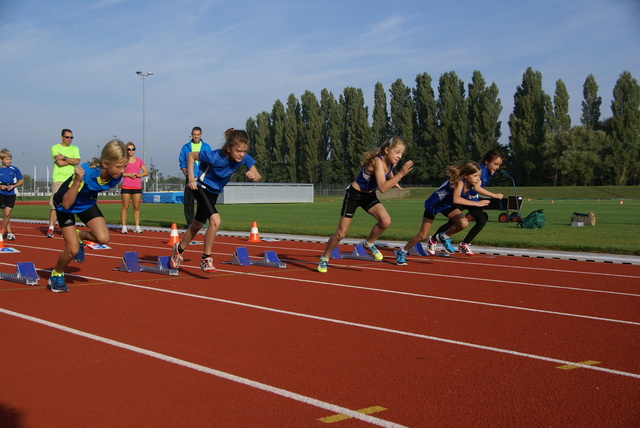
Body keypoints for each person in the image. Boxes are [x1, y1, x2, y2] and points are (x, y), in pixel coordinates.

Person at [317, 136, 414, 273]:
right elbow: (383, 188)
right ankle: (324, 257)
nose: (400, 156)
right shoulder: (377, 161)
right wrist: (401, 175)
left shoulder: (392, 161)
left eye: (402, 153)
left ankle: (369, 243)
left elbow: (389, 169)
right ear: (387, 150)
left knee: (385, 221)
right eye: (397, 152)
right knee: (341, 233)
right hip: (354, 195)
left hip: (368, 195)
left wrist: (393, 178)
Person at [170, 128, 261, 273]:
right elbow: (191, 155)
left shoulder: (244, 158)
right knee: (215, 221)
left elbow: (258, 176)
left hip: (214, 192)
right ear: (229, 148)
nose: (242, 154)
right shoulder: (215, 156)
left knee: (196, 225)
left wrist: (253, 176)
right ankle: (206, 258)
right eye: (238, 151)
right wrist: (191, 178)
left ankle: (178, 249)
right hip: (201, 187)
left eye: (244, 151)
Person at [47, 140, 128, 293]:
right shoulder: (86, 172)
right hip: (66, 203)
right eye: (118, 166)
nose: (121, 171)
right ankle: (56, 274)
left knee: (103, 238)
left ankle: (80, 235)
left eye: (124, 166)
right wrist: (77, 181)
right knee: (72, 250)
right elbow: (66, 204)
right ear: (105, 163)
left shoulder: (116, 177)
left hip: (86, 203)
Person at [395, 161, 499, 265]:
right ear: (466, 175)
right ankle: (402, 251)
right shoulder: (459, 182)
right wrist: (477, 204)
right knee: (422, 236)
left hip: (446, 206)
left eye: (479, 176)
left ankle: (444, 236)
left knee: (463, 223)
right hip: (434, 205)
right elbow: (456, 199)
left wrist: (490, 196)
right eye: (475, 176)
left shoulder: (472, 185)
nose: (478, 178)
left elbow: (476, 189)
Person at [432, 150, 504, 255]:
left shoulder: (489, 173)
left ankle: (464, 244)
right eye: (495, 164)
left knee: (481, 221)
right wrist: (493, 195)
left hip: (471, 198)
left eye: (499, 165)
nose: (497, 167)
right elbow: (476, 187)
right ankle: (433, 239)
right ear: (487, 161)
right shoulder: (481, 170)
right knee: (453, 222)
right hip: (463, 198)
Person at [47, 129, 81, 238]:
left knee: (69, 204)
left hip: (71, 179)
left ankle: (67, 227)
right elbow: (60, 163)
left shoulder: (75, 148)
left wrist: (64, 157)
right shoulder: (55, 147)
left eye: (71, 137)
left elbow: (77, 161)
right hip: (59, 179)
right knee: (55, 204)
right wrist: (69, 160)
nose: (69, 139)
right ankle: (51, 228)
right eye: (67, 137)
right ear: (62, 137)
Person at [179, 127, 212, 227]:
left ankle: (202, 222)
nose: (196, 136)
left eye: (198, 134)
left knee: (203, 201)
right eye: (194, 134)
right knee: (189, 201)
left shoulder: (206, 147)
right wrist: (186, 172)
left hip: (203, 177)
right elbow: (182, 161)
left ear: (201, 135)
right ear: (191, 134)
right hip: (191, 177)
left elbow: (211, 160)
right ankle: (190, 222)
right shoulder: (186, 147)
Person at [120, 142, 148, 233]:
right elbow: (120, 173)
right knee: (125, 206)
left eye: (133, 149)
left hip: (136, 186)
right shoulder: (123, 161)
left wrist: (138, 175)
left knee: (136, 207)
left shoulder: (139, 161)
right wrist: (129, 174)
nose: (131, 151)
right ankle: (124, 226)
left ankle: (137, 226)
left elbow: (145, 172)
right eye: (129, 149)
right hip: (126, 185)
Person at [0, 149, 24, 241]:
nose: (9, 161)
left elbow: (21, 181)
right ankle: (9, 232)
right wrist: (0, 186)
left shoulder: (14, 169)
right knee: (5, 214)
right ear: (1, 160)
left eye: (10, 159)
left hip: (11, 193)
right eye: (7, 159)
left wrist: (13, 186)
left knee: (7, 213)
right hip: (1, 193)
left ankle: (2, 233)